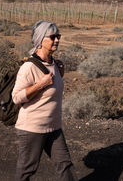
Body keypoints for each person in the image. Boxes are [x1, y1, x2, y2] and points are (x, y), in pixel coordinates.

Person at [12, 20, 77, 181]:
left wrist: (60, 74)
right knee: (27, 170)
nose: (57, 40)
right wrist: (40, 84)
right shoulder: (29, 67)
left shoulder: (54, 64)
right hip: (32, 128)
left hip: (54, 127)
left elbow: (52, 91)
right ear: (41, 40)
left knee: (65, 165)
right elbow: (16, 97)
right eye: (53, 36)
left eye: (58, 36)